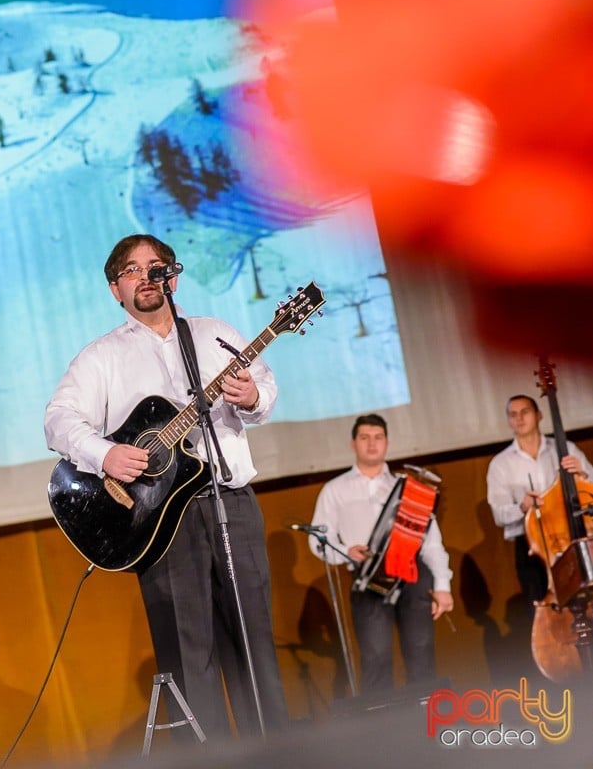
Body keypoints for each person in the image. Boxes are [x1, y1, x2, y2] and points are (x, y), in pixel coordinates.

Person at [44, 233, 288, 740]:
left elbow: (264, 389)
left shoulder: (213, 332)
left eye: (155, 266)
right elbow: (59, 421)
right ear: (116, 290)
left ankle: (277, 749)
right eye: (132, 270)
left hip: (232, 502)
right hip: (158, 522)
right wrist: (104, 453)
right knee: (188, 649)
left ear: (172, 277)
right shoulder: (101, 358)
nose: (146, 276)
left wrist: (249, 395)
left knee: (254, 638)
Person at [308, 413, 453, 698]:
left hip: (412, 576)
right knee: (375, 659)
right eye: (364, 438)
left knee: (421, 653)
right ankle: (385, 734)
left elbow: (432, 542)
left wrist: (442, 586)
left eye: (378, 437)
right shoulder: (335, 490)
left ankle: (429, 727)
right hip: (367, 579)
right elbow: (318, 539)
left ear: (387, 442)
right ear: (353, 443)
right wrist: (345, 552)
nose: (372, 444)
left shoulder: (409, 487)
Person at [486, 393, 593, 617]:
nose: (519, 418)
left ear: (539, 415)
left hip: (573, 536)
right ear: (508, 421)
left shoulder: (567, 449)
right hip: (533, 545)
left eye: (525, 412)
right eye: (513, 415)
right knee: (545, 608)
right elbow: (498, 514)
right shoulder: (500, 463)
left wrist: (583, 475)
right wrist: (522, 507)